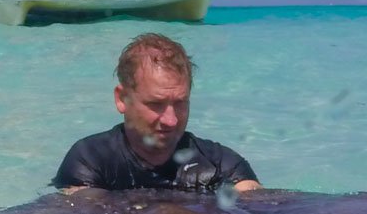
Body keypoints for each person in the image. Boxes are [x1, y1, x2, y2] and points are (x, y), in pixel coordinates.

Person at [52, 33, 261, 193]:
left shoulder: (221, 166)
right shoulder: (90, 161)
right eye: (156, 103)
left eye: (180, 103)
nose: (171, 120)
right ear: (122, 99)